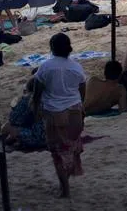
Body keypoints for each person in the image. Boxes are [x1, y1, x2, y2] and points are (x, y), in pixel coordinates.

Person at [33, 33, 86, 197]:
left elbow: (37, 91)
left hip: (55, 113)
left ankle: (65, 189)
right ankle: (66, 183)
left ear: (52, 48)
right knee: (71, 149)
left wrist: (36, 108)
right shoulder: (76, 67)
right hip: (75, 111)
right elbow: (82, 91)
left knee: (58, 153)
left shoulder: (46, 67)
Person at [2, 78, 47, 151]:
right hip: (52, 138)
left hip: (37, 140)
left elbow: (13, 119)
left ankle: (3, 144)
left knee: (7, 126)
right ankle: (10, 141)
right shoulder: (50, 98)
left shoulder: (28, 99)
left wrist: (17, 105)